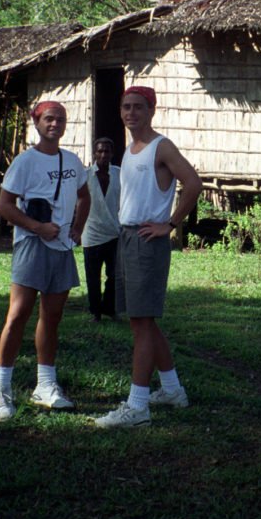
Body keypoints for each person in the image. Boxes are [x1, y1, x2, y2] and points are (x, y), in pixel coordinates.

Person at [94, 86, 202, 429]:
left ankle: (137, 406)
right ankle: (172, 390)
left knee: (141, 323)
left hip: (146, 240)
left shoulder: (161, 146)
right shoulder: (130, 149)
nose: (130, 113)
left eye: (138, 107)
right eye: (125, 107)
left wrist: (169, 224)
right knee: (142, 321)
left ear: (151, 110)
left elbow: (193, 183)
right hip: (127, 237)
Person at [0, 101, 90, 422]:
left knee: (53, 315)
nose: (55, 124)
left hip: (62, 249)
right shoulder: (25, 162)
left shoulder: (72, 161)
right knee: (18, 314)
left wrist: (77, 228)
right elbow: (4, 206)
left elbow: (84, 195)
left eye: (60, 119)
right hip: (32, 246)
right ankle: (2, 388)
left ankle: (45, 385)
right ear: (37, 122)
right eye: (49, 119)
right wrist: (37, 227)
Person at [82, 138, 120, 322]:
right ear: (94, 154)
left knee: (115, 275)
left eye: (107, 151)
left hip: (115, 232)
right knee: (92, 276)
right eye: (100, 151)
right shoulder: (85, 176)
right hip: (92, 233)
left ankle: (109, 308)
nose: (103, 155)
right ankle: (95, 312)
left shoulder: (119, 174)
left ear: (112, 154)